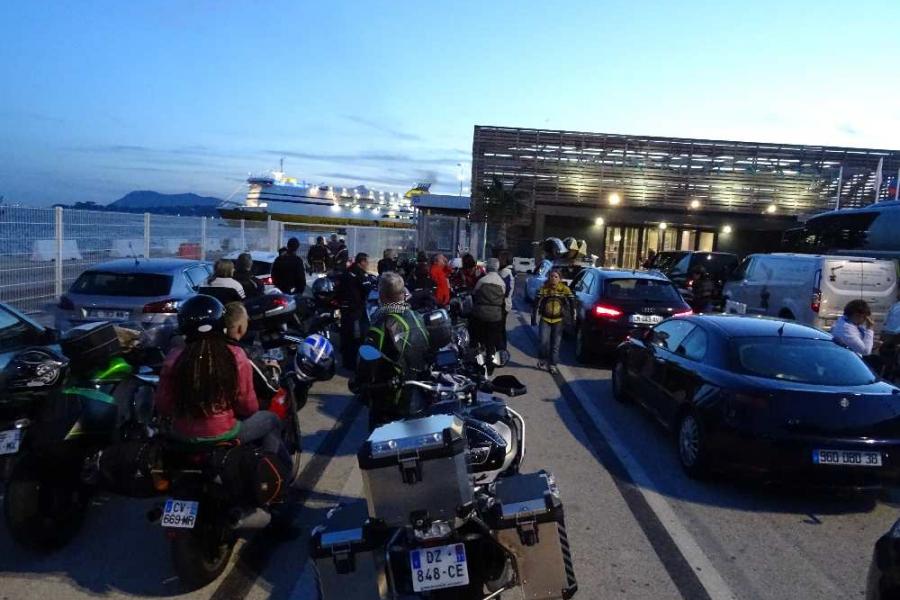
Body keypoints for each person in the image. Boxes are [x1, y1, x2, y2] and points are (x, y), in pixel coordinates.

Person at [154, 295, 285, 460]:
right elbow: (248, 407)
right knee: (272, 420)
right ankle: (269, 470)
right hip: (223, 433)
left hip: (182, 434)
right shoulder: (235, 355)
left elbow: (163, 405)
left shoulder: (174, 357)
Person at [356, 272, 430, 430]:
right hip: (417, 391)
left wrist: (360, 385)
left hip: (389, 397)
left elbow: (367, 363)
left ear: (382, 295)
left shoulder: (381, 323)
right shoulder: (416, 316)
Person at [532, 270, 574, 374]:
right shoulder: (544, 289)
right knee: (543, 342)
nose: (553, 279)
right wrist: (533, 317)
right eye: (551, 276)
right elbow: (536, 304)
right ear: (548, 278)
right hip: (545, 319)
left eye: (556, 277)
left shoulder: (565, 289)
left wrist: (572, 316)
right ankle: (542, 359)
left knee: (555, 344)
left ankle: (553, 365)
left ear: (560, 278)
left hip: (559, 320)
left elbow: (572, 302)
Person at [338, 253, 371, 367]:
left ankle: (345, 361)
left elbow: (339, 287)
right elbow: (367, 289)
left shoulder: (347, 271)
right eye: (366, 261)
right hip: (355, 309)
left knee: (345, 334)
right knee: (355, 336)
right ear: (361, 262)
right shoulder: (360, 274)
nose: (367, 264)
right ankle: (352, 363)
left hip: (344, 307)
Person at [471, 258, 507, 359]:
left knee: (475, 335)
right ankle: (491, 359)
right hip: (495, 316)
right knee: (491, 341)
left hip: (480, 314)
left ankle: (476, 357)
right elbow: (503, 296)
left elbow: (474, 293)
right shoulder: (501, 283)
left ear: (487, 267)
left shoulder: (482, 280)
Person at [498, 252, 516, 350]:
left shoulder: (505, 272)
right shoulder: (510, 270)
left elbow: (502, 289)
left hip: (503, 304)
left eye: (500, 259)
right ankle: (502, 349)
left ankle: (501, 350)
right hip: (507, 303)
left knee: (500, 329)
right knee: (501, 328)